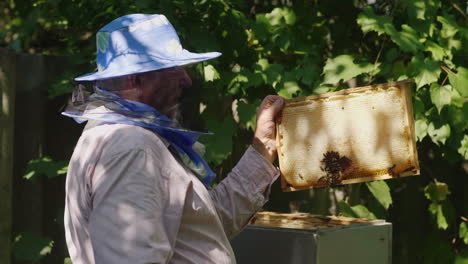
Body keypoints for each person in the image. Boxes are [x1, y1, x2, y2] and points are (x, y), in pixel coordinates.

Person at [63, 14, 284, 264]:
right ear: (135, 78)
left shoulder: (127, 138)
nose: (186, 79)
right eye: (173, 68)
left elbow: (203, 225)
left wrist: (262, 146)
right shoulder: (131, 146)